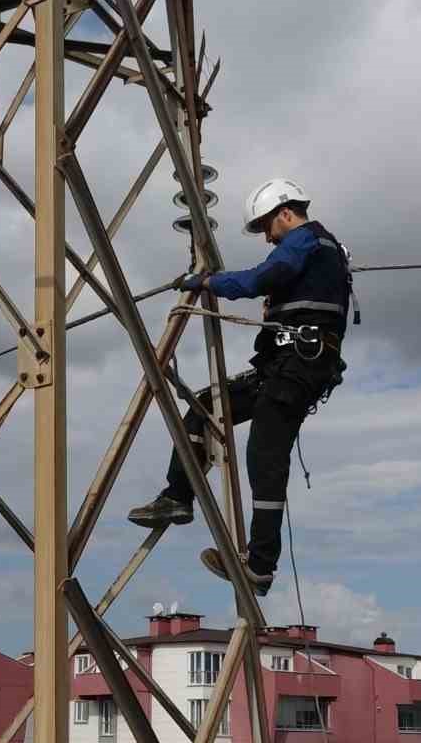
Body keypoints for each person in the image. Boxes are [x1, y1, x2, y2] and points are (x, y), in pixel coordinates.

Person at [127, 178, 352, 596]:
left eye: (268, 227)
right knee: (207, 404)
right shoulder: (319, 252)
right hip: (282, 367)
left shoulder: (306, 240)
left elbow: (257, 280)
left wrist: (207, 282)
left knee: (265, 456)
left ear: (286, 214)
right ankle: (177, 496)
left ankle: (260, 566)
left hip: (298, 369)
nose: (268, 237)